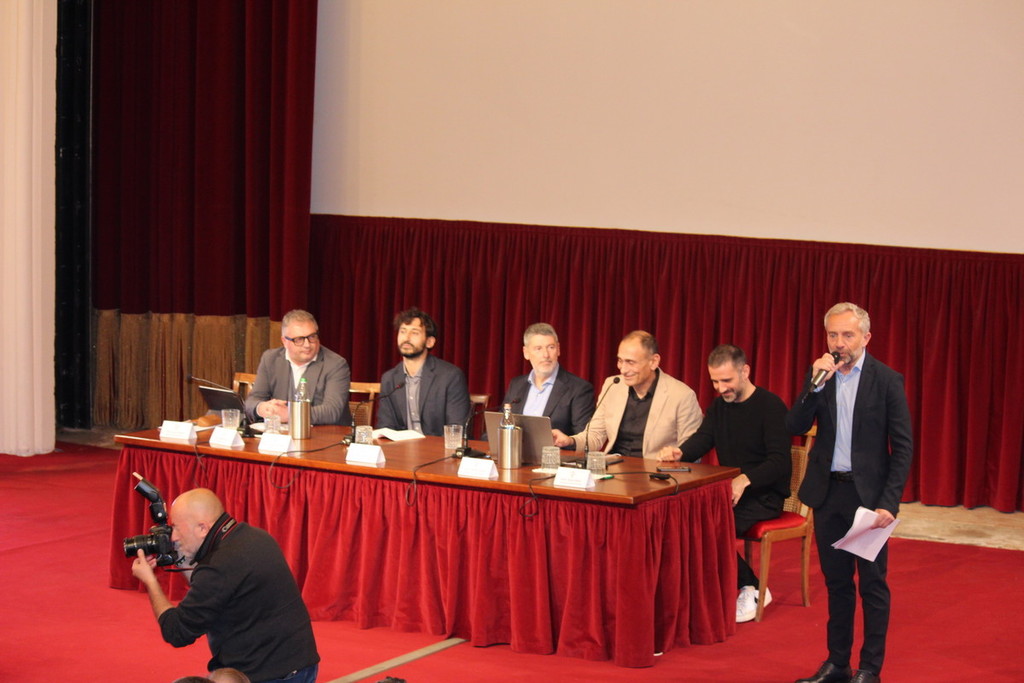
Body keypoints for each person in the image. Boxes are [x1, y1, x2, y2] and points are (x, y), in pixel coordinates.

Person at [787, 303, 913, 683]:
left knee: (872, 585)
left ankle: (869, 669)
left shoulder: (886, 380)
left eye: (847, 334)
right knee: (837, 583)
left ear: (865, 338)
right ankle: (837, 663)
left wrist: (888, 503)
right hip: (828, 495)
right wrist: (813, 385)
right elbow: (795, 425)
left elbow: (903, 447)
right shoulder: (821, 378)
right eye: (832, 335)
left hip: (868, 500)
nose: (839, 343)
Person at [657, 344, 791, 623]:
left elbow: (779, 462)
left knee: (708, 527)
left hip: (764, 495)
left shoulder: (771, 406)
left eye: (726, 380)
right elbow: (703, 439)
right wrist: (680, 452)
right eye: (715, 382)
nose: (720, 388)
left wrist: (744, 479)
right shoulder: (719, 406)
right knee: (685, 518)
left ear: (745, 371)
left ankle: (753, 587)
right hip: (730, 492)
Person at [131, 489, 320, 683]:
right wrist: (181, 559)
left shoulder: (219, 565)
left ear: (202, 528)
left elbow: (177, 632)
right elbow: (211, 589)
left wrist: (151, 582)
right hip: (300, 663)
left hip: (270, 676)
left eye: (177, 528)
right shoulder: (253, 536)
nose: (173, 538)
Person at [552, 330, 702, 457]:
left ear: (654, 361)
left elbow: (690, 450)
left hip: (656, 474)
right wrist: (569, 441)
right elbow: (595, 436)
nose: (623, 370)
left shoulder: (681, 396)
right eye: (620, 361)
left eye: (631, 362)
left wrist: (674, 455)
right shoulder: (613, 385)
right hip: (614, 470)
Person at [244, 309, 351, 426]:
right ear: (284, 341)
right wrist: (262, 408)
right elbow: (252, 401)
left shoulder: (335, 364)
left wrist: (290, 414)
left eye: (312, 337)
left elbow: (332, 412)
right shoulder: (270, 359)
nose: (307, 345)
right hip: (280, 434)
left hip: (324, 434)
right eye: (299, 339)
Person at [375, 307, 471, 437]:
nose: (406, 337)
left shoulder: (450, 376)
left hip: (438, 448)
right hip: (400, 447)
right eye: (403, 331)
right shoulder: (389, 378)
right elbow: (385, 427)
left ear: (429, 342)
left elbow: (457, 430)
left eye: (414, 333)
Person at [501, 323, 595, 434]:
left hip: (554, 446)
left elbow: (583, 438)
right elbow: (501, 425)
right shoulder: (516, 385)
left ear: (558, 350)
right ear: (526, 353)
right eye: (538, 349)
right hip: (515, 445)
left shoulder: (579, 389)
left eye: (551, 347)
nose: (546, 355)